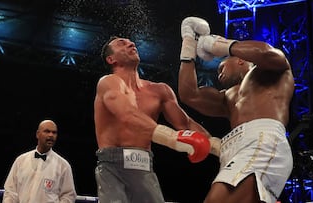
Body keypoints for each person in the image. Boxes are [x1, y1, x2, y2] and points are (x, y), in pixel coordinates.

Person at [178, 17, 294, 203]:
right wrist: (188, 45)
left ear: (240, 60)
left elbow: (264, 53)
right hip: (232, 151)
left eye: (221, 67)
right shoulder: (226, 98)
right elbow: (188, 94)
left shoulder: (272, 73)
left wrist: (221, 45)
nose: (219, 74)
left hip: (262, 140)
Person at [94, 36, 220, 203]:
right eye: (121, 44)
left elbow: (185, 124)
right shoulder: (108, 83)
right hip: (113, 167)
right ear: (111, 59)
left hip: (145, 166)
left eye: (131, 42)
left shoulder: (160, 90)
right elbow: (127, 115)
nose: (131, 44)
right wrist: (170, 138)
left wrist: (218, 147)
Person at [2, 119, 77, 203]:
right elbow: (10, 191)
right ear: (38, 134)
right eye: (47, 131)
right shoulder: (21, 160)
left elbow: (68, 196)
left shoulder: (63, 166)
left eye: (54, 132)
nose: (51, 135)